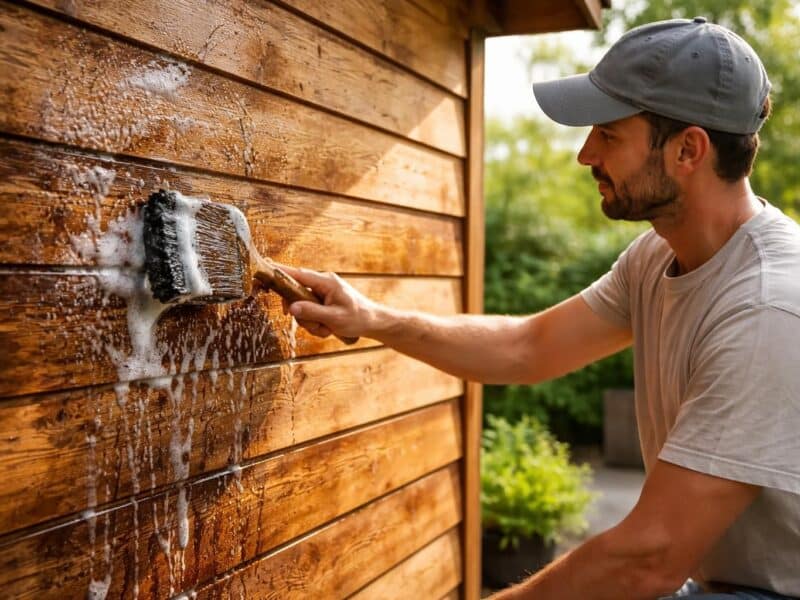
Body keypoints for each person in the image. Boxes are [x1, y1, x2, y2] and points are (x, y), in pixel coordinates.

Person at [280, 18, 800, 600]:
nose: (584, 154)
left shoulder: (768, 307)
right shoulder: (655, 258)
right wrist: (374, 317)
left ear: (688, 150)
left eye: (607, 133)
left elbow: (646, 559)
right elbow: (528, 347)